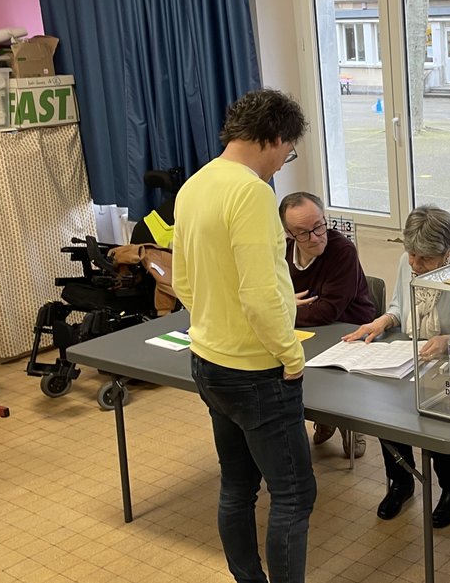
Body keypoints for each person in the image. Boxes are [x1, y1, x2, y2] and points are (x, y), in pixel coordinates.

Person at [172, 89, 316, 583]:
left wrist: (217, 321)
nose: (283, 162)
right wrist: (290, 355)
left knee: (237, 485)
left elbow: (182, 281)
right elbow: (259, 297)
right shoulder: (252, 192)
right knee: (295, 494)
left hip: (207, 359)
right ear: (275, 138)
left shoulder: (194, 185)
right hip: (257, 371)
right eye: (288, 151)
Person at [341, 205, 450, 528]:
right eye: (411, 253)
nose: (414, 263)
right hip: (409, 355)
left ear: (447, 251)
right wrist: (383, 320)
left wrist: (449, 339)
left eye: (423, 258)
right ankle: (401, 481)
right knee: (385, 410)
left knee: (435, 419)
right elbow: (399, 304)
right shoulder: (407, 262)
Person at [279, 191, 377, 458]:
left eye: (319, 226)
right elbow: (269, 293)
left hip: (350, 328)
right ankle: (324, 416)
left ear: (325, 219)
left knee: (333, 370)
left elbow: (328, 310)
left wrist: (283, 308)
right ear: (288, 233)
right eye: (303, 232)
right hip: (306, 330)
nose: (314, 237)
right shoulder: (282, 251)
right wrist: (284, 304)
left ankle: (348, 422)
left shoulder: (341, 250)